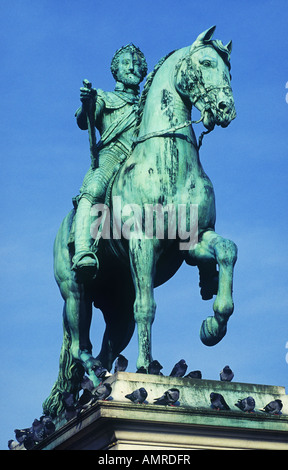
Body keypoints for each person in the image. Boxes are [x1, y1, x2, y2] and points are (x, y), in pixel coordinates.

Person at [71, 44, 147, 279]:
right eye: (126, 63)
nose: (132, 67)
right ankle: (83, 249)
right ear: (116, 70)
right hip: (114, 154)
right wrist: (88, 103)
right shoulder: (105, 96)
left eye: (136, 64)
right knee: (93, 188)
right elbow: (85, 121)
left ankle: (191, 241)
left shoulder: (149, 102)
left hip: (144, 157)